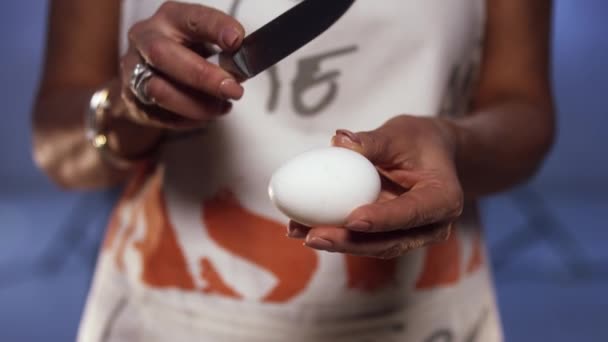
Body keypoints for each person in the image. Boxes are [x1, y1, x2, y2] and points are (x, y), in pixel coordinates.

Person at [32, 0, 554, 341]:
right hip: (165, 316)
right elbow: (56, 146)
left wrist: (452, 142)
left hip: (423, 319)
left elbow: (524, 114)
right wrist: (130, 109)